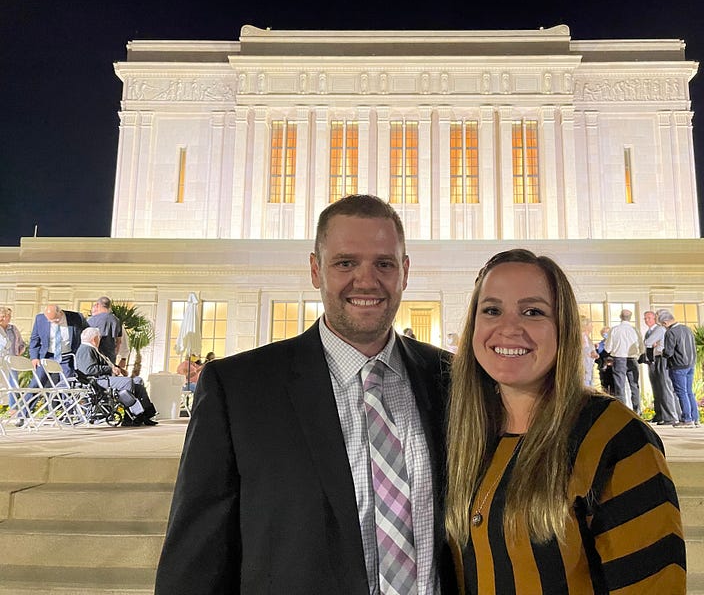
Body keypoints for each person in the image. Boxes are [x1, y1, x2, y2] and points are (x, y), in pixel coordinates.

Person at [156, 194, 456, 594]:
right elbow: (195, 563)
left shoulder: (450, 380)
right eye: (345, 263)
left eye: (383, 264)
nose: (366, 280)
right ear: (316, 269)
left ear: (404, 271)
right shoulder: (239, 390)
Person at [446, 249, 685, 593]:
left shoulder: (615, 439)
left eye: (533, 312)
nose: (509, 328)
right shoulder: (468, 433)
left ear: (564, 328)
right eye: (492, 310)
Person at [75, 327, 158, 426]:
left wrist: (118, 368)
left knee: (138, 380)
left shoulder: (94, 349)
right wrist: (110, 369)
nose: (100, 340)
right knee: (127, 382)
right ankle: (130, 415)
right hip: (97, 381)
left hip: (106, 378)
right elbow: (88, 370)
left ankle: (146, 414)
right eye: (99, 338)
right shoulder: (86, 349)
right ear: (94, 339)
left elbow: (107, 365)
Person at [658, 309, 700, 428]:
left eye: (662, 325)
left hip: (678, 365)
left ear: (665, 322)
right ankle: (695, 418)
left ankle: (687, 419)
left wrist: (662, 352)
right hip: (690, 364)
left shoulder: (671, 332)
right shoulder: (687, 329)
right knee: (689, 392)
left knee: (681, 392)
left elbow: (669, 352)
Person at [641, 310, 681, 425]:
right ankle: (666, 415)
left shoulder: (660, 329)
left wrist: (653, 343)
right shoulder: (661, 330)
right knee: (663, 388)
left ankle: (670, 417)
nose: (647, 320)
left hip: (661, 358)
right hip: (659, 359)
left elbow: (648, 342)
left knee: (665, 388)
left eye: (653, 317)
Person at [604, 309, 645, 413]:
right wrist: (639, 354)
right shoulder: (635, 330)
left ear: (620, 317)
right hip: (632, 358)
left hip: (619, 358)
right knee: (634, 385)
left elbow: (608, 348)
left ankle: (622, 411)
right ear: (630, 317)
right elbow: (641, 346)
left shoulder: (614, 330)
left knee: (620, 385)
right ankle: (637, 411)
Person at [87, 296, 123, 362]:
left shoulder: (91, 320)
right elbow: (119, 341)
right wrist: (115, 354)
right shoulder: (116, 320)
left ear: (98, 305)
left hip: (94, 356)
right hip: (110, 357)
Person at [580, 315, 598, 387]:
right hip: (583, 368)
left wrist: (594, 350)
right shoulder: (581, 337)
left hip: (588, 367)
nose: (592, 327)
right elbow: (583, 351)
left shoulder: (587, 337)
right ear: (585, 326)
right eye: (591, 324)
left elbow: (589, 349)